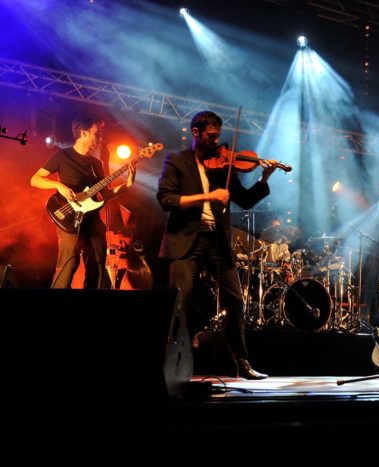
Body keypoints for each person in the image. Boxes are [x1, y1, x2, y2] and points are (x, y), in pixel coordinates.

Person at [157, 110, 279, 380]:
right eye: (211, 137)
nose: (217, 142)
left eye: (218, 137)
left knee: (235, 300)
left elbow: (245, 200)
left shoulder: (223, 166)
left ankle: (241, 362)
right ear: (196, 132)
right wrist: (207, 196)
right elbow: (166, 199)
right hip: (186, 239)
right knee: (180, 300)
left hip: (216, 240)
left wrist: (264, 178)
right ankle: (169, 360)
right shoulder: (177, 161)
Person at [30, 115, 136, 288]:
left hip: (92, 220)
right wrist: (58, 185)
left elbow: (105, 195)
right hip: (68, 217)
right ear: (84, 133)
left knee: (98, 263)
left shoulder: (96, 164)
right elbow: (35, 179)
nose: (100, 137)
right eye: (97, 133)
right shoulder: (63, 156)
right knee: (69, 263)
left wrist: (127, 185)